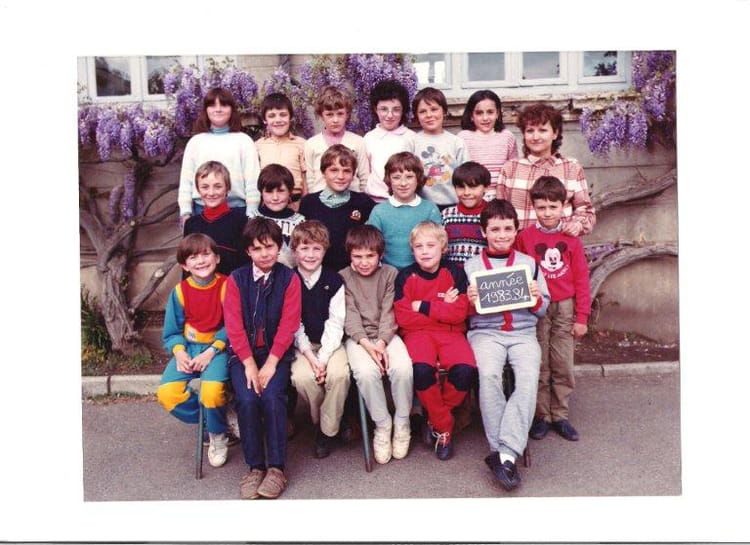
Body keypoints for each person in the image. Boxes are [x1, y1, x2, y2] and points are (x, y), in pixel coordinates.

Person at [464, 199, 550, 491]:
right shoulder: (471, 267)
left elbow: (543, 309)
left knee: (527, 378)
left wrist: (536, 298)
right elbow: (462, 313)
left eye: (507, 229)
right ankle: (502, 451)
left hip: (523, 333)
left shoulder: (529, 264)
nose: (501, 235)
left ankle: (505, 454)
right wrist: (470, 302)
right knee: (489, 375)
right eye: (495, 229)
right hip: (486, 333)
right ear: (484, 232)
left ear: (516, 231)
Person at [223, 217, 302, 499]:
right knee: (246, 399)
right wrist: (248, 363)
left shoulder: (289, 279)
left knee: (272, 397)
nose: (264, 253)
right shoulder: (236, 279)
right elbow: (233, 325)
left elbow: (289, 324)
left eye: (269, 247)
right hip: (243, 356)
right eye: (257, 249)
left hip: (275, 355)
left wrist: (270, 363)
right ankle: (255, 466)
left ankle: (277, 468)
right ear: (248, 251)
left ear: (279, 247)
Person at [515, 176, 591, 442]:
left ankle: (560, 414)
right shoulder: (524, 237)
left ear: (563, 206)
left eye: (553, 207)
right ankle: (542, 416)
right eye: (541, 207)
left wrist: (582, 317)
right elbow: (517, 272)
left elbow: (581, 279)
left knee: (562, 363)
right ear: (533, 207)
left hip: (564, 307)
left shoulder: (571, 239)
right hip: (536, 307)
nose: (547, 213)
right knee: (540, 362)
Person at [393, 221, 477, 460]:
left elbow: (459, 313)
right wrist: (442, 307)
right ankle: (444, 428)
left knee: (465, 370)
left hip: (452, 333)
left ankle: (434, 420)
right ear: (412, 250)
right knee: (422, 370)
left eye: (431, 245)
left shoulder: (455, 273)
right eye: (419, 246)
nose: (425, 251)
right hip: (418, 334)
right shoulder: (405, 276)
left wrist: (423, 305)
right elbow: (403, 318)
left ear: (443, 247)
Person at [340, 225, 414, 464]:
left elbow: (389, 312)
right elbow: (350, 315)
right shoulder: (344, 277)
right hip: (358, 338)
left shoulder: (390, 274)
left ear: (380, 254)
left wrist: (381, 343)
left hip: (387, 335)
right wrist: (366, 344)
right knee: (365, 372)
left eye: (370, 256)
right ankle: (382, 424)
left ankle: (402, 421)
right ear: (350, 255)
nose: (364, 262)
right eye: (357, 256)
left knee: (402, 368)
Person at [156, 234, 231, 468]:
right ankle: (219, 419)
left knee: (211, 392)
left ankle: (217, 436)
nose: (200, 261)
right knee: (168, 394)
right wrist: (179, 353)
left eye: (206, 254)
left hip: (216, 349)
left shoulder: (227, 286)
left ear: (217, 258)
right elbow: (172, 332)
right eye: (193, 257)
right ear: (184, 265)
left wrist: (212, 351)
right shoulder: (179, 292)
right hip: (189, 348)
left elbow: (234, 325)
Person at [288, 220, 351, 459]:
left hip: (331, 344)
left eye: (317, 248)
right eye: (304, 248)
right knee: (303, 377)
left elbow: (336, 323)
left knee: (340, 375)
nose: (310, 254)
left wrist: (322, 359)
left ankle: (325, 431)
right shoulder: (288, 280)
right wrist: (311, 358)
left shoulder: (334, 280)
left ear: (325, 250)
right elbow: (293, 324)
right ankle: (329, 422)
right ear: (294, 251)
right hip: (301, 346)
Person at [497, 103, 595, 235]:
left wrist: (577, 225)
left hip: (559, 243)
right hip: (520, 244)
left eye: (542, 130)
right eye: (530, 131)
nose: (535, 137)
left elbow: (585, 211)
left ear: (555, 133)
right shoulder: (510, 168)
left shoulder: (571, 167)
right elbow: (498, 212)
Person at [178, 87, 261, 228]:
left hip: (237, 210)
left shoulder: (244, 141)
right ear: (206, 110)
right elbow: (186, 181)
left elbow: (253, 179)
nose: (218, 109)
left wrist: (252, 212)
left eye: (223, 105)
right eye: (212, 105)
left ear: (232, 109)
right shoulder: (195, 142)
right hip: (201, 210)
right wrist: (185, 211)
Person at [299, 144, 375, 272]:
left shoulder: (363, 202)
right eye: (334, 170)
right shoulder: (309, 203)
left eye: (347, 171)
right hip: (319, 272)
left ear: (353, 174)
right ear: (323, 172)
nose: (340, 176)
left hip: (354, 273)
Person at [366, 151, 442, 270]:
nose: (403, 183)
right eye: (396, 177)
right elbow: (370, 247)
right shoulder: (379, 211)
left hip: (422, 272)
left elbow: (438, 245)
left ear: (418, 179)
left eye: (409, 177)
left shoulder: (430, 209)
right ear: (389, 180)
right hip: (388, 273)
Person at [406, 87, 470, 208]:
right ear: (416, 115)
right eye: (422, 111)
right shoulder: (412, 142)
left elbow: (467, 175)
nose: (429, 115)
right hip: (421, 206)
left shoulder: (456, 142)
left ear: (444, 111)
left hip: (453, 204)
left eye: (434, 109)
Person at [183, 161, 249, 276]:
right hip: (201, 287)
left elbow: (247, 265)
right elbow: (187, 267)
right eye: (205, 187)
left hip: (232, 285)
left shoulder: (241, 221)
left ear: (227, 188)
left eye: (218, 186)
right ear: (198, 190)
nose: (211, 193)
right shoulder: (191, 224)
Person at [304, 86, 370, 193]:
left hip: (351, 198)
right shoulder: (311, 144)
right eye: (329, 115)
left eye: (340, 114)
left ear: (347, 114)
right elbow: (310, 180)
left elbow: (364, 177)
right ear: (321, 116)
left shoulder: (358, 141)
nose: (335, 120)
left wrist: (360, 199)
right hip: (321, 198)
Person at [457, 89, 518, 199]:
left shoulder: (507, 137)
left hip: (500, 196)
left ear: (498, 114)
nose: (485, 118)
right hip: (472, 196)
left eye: (490, 112)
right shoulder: (463, 138)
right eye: (479, 113)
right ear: (471, 116)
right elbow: (459, 172)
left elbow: (513, 170)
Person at [363, 79, 416, 203]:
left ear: (403, 110)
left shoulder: (411, 138)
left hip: (404, 200)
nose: (390, 115)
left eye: (396, 110)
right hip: (374, 201)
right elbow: (364, 173)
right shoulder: (369, 138)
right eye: (384, 109)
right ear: (375, 109)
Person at [255, 92, 307, 211]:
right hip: (268, 204)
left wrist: (302, 204)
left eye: (283, 115)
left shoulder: (302, 144)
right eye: (272, 116)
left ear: (291, 117)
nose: (278, 120)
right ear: (264, 120)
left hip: (295, 205)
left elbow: (306, 180)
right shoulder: (258, 146)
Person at [248, 164, 306, 267]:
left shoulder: (300, 222)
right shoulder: (252, 218)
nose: (275, 197)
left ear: (290, 191)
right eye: (269, 192)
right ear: (261, 192)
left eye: (281, 191)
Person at [441, 161, 491, 266]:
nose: (466, 192)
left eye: (473, 187)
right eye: (461, 187)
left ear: (486, 187)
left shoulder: (493, 214)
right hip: (453, 273)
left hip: (482, 272)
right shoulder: (446, 215)